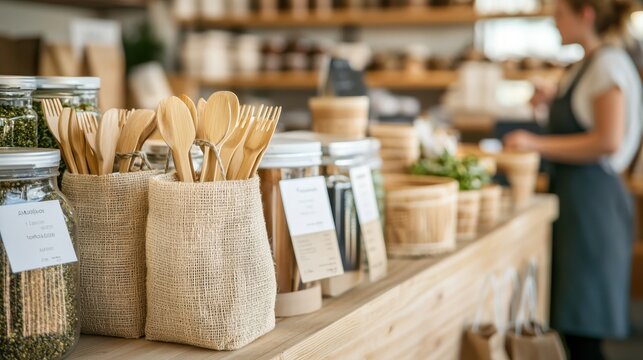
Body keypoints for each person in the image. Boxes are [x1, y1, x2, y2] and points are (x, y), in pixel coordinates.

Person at [503, 0, 642, 359]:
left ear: (587, 14)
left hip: (593, 210)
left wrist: (535, 142)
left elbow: (606, 141)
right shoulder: (589, 63)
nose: (553, 21)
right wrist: (552, 100)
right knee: (571, 327)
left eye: (560, 14)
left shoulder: (607, 64)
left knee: (584, 332)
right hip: (577, 204)